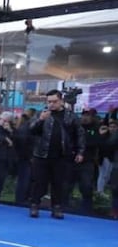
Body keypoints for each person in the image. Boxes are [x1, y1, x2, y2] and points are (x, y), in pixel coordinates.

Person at [28, 89, 86, 219]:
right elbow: (31, 130)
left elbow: (79, 134)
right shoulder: (41, 114)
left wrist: (80, 151)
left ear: (61, 101)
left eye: (54, 101)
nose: (51, 104)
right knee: (38, 182)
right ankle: (34, 205)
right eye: (49, 102)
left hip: (61, 155)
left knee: (59, 183)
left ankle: (57, 207)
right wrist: (41, 120)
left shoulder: (70, 116)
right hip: (41, 154)